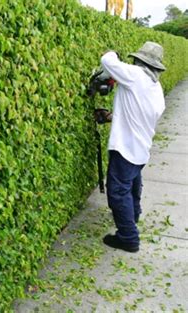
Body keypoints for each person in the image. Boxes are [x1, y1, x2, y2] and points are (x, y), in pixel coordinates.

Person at [96, 42, 166, 253]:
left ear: (140, 61)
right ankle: (133, 215)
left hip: (125, 149)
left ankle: (128, 237)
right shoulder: (156, 88)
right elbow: (136, 114)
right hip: (141, 149)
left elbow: (107, 61)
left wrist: (112, 52)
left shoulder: (135, 75)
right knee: (132, 186)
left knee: (118, 192)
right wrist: (110, 117)